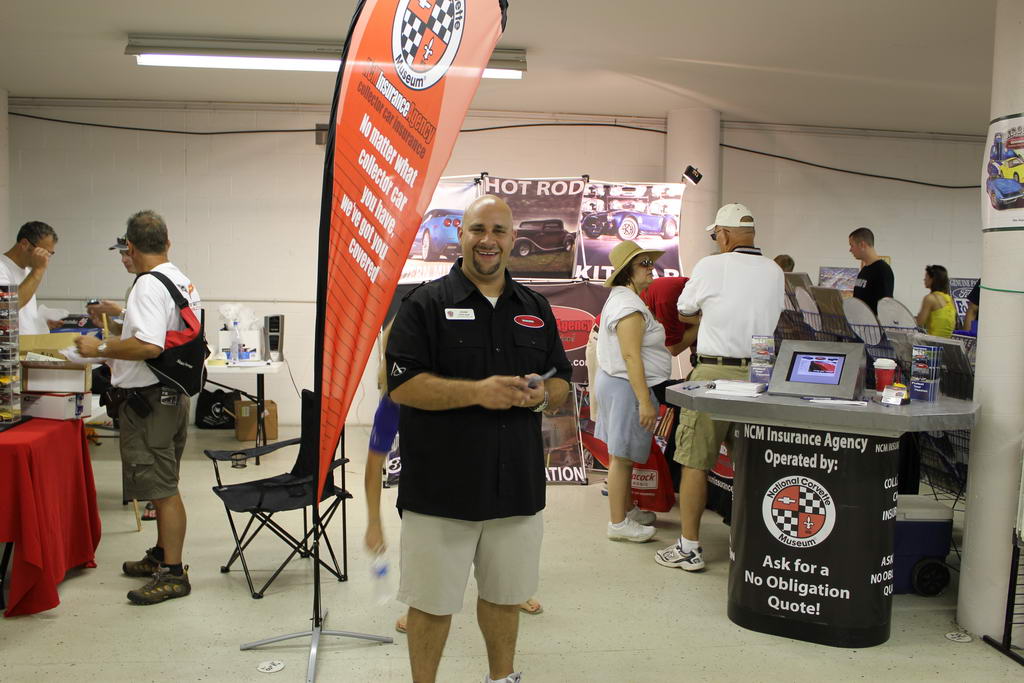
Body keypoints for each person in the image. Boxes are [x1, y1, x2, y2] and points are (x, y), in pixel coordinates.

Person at [386, 195, 572, 683]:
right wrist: (478, 392)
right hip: (440, 489)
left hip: (516, 486)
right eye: (477, 230)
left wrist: (538, 396)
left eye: (498, 231)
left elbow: (561, 382)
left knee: (506, 596)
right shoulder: (423, 304)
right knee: (430, 603)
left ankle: (501, 678)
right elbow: (402, 384)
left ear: (513, 240)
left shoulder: (534, 308)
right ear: (461, 236)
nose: (488, 240)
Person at [364, 323, 545, 634]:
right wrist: (373, 523)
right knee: (431, 564)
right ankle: (420, 606)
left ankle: (513, 594)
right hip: (434, 492)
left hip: (494, 479)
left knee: (507, 549)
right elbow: (373, 464)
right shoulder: (395, 401)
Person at [75, 210, 200, 605]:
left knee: (162, 489)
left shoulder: (147, 284)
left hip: (148, 403)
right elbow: (164, 325)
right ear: (167, 243)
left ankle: (174, 574)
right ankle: (162, 555)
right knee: (165, 481)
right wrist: (122, 313)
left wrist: (102, 347)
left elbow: (150, 346)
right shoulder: (177, 277)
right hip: (170, 396)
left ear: (129, 246)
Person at [656, 203, 784, 572]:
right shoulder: (775, 271)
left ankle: (689, 547)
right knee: (751, 465)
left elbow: (683, 308)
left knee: (694, 460)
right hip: (760, 376)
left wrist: (710, 312)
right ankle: (752, 544)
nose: (716, 241)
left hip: (714, 374)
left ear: (724, 235)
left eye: (715, 235)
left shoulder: (712, 266)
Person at [596, 241, 673, 542]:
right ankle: (618, 523)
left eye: (650, 262)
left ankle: (625, 510)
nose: (651, 268)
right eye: (644, 264)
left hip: (619, 385)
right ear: (627, 271)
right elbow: (631, 357)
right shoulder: (628, 306)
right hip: (626, 387)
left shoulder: (625, 300)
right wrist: (644, 401)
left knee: (621, 454)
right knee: (623, 457)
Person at [0, 221, 59, 334]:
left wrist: (41, 323)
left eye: (50, 254)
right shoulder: (2, 268)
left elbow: (22, 315)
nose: (46, 258)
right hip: (10, 349)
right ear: (24, 244)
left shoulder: (27, 272)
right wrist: (38, 270)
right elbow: (7, 308)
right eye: (44, 252)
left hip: (27, 346)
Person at [848, 227, 894, 314]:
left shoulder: (882, 270)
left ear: (862, 245)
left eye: (851, 245)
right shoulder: (864, 270)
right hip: (859, 324)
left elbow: (885, 307)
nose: (850, 250)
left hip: (873, 326)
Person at [915, 265, 955, 337]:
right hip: (947, 342)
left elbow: (919, 322)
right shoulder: (949, 299)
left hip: (933, 342)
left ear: (932, 279)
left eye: (926, 277)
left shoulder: (930, 298)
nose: (924, 279)